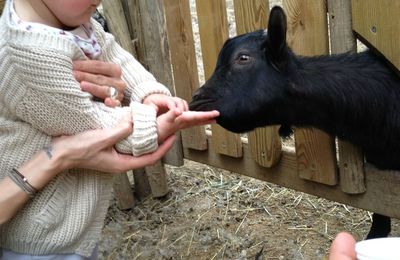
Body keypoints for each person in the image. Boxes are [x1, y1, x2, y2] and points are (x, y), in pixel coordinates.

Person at [0, 0, 219, 258]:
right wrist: (154, 124)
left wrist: (146, 91)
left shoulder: (61, 19)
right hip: (45, 234)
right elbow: (93, 130)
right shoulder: (31, 55)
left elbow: (113, 54)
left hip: (72, 216)